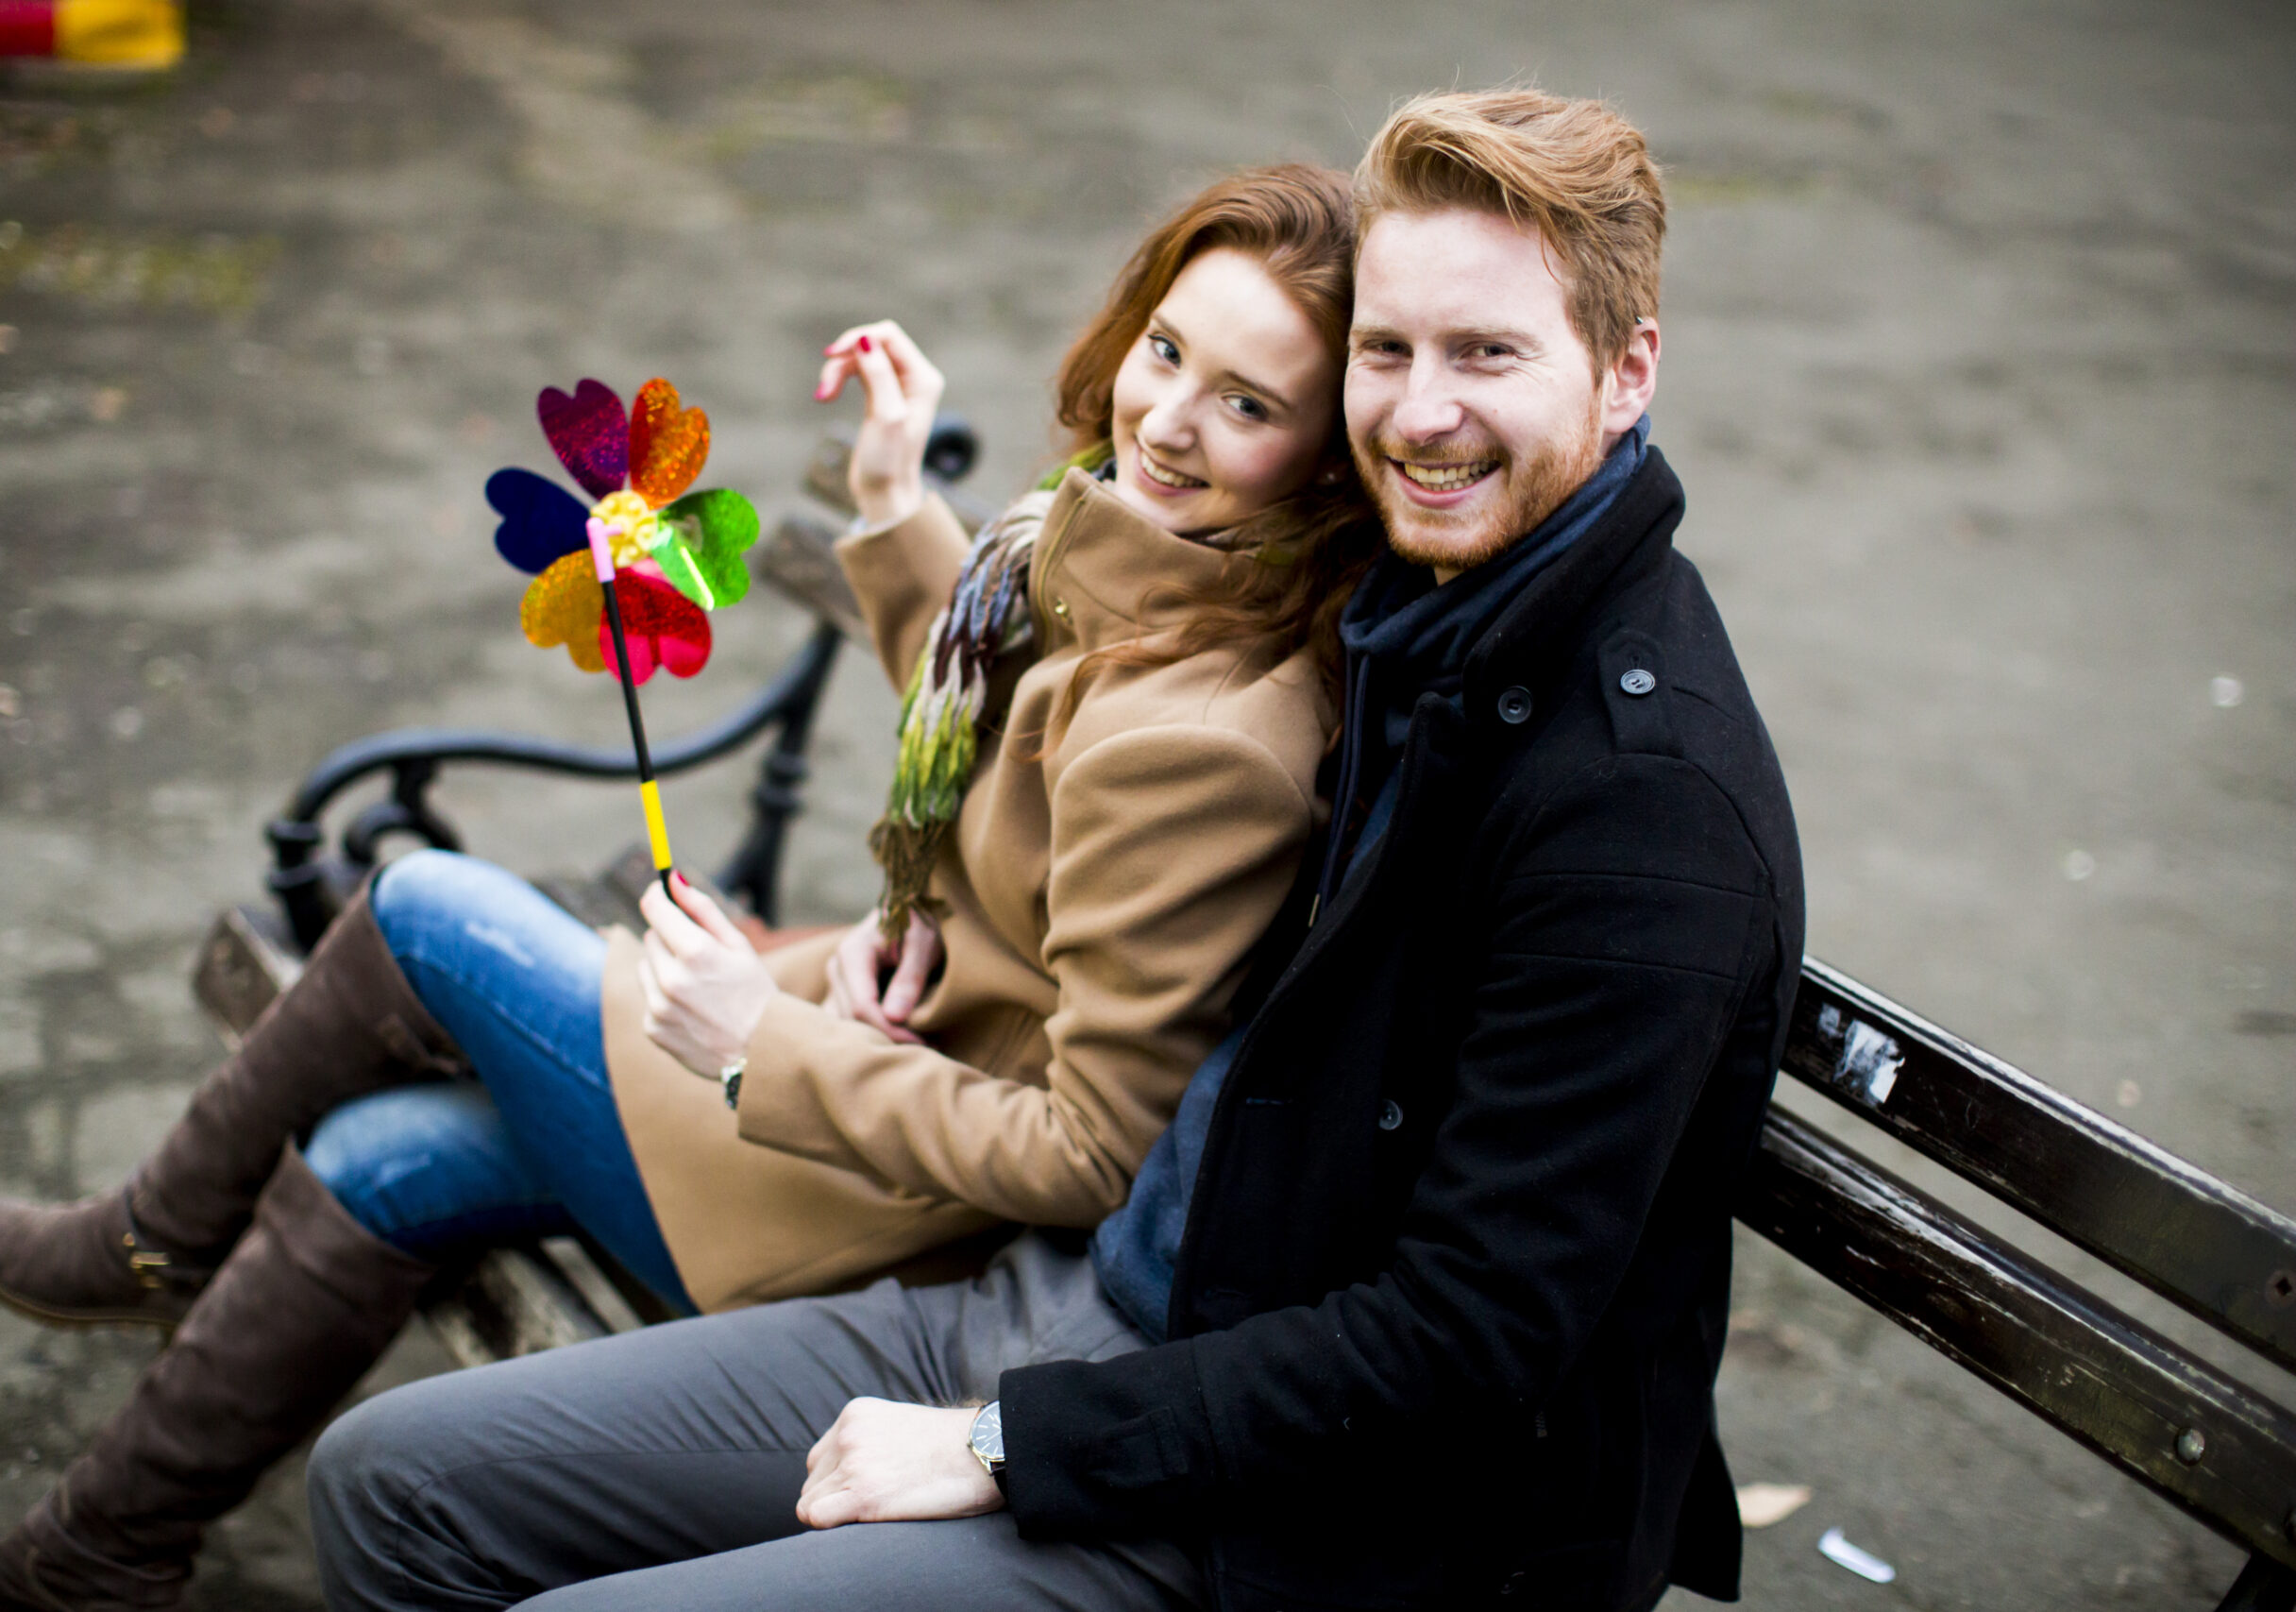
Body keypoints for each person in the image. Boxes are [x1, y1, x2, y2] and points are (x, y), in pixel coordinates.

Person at [306, 86, 1805, 1612]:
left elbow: (1460, 1346)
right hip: (1086, 1302)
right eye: (1387, 349)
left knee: (428, 945)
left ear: (1628, 375)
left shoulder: (1642, 819)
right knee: (388, 1477)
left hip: (1302, 1517)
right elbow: (1057, 717)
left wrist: (1016, 1440)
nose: (1419, 412)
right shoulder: (1422, 613)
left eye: (1487, 353)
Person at [0, 165, 1381, 1611]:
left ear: (1327, 456)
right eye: (1168, 348)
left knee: (425, 918)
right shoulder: (1110, 547)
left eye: (1246, 403)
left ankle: (148, 1238)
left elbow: (1094, 1153)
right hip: (860, 1050)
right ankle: (95, 1562)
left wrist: (760, 1047)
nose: (1168, 418)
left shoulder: (1209, 739)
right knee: (385, 1152)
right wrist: (889, 497)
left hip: (879, 1176)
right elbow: (1001, 705)